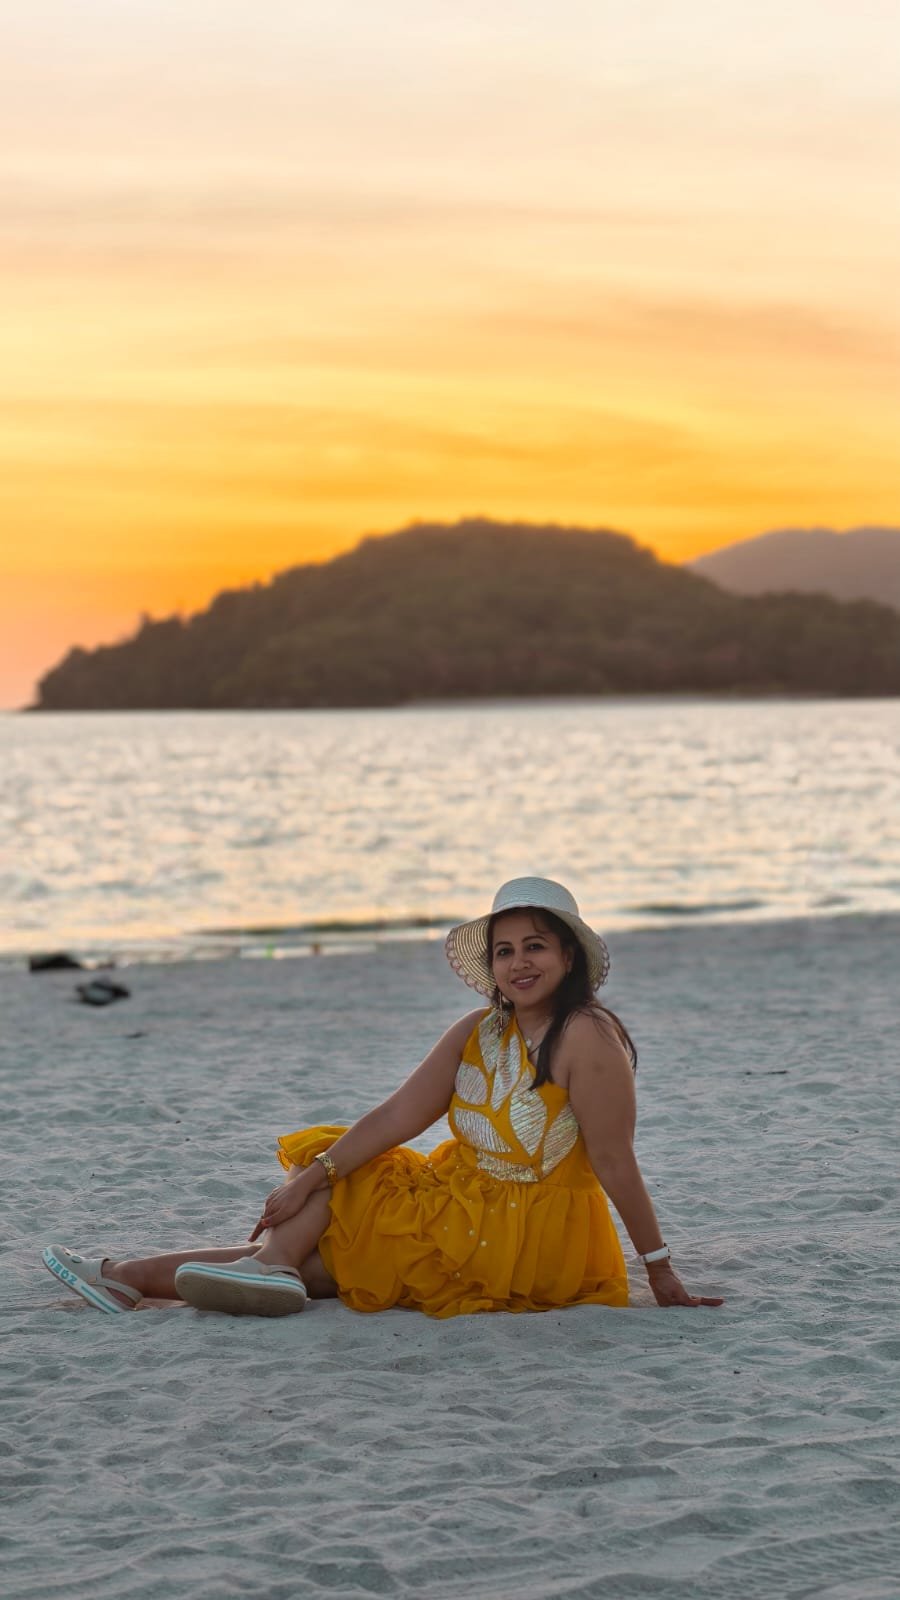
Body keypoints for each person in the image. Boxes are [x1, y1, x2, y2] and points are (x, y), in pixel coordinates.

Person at [42, 877, 724, 1318]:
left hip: (527, 1238)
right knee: (332, 1197)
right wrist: (311, 1176)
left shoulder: (588, 1038)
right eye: (506, 951)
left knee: (345, 1200)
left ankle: (252, 1265)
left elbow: (615, 1161)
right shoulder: (479, 1030)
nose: (519, 963)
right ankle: (129, 1277)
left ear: (568, 956)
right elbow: (400, 1114)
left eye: (536, 947)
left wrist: (659, 1270)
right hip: (461, 1205)